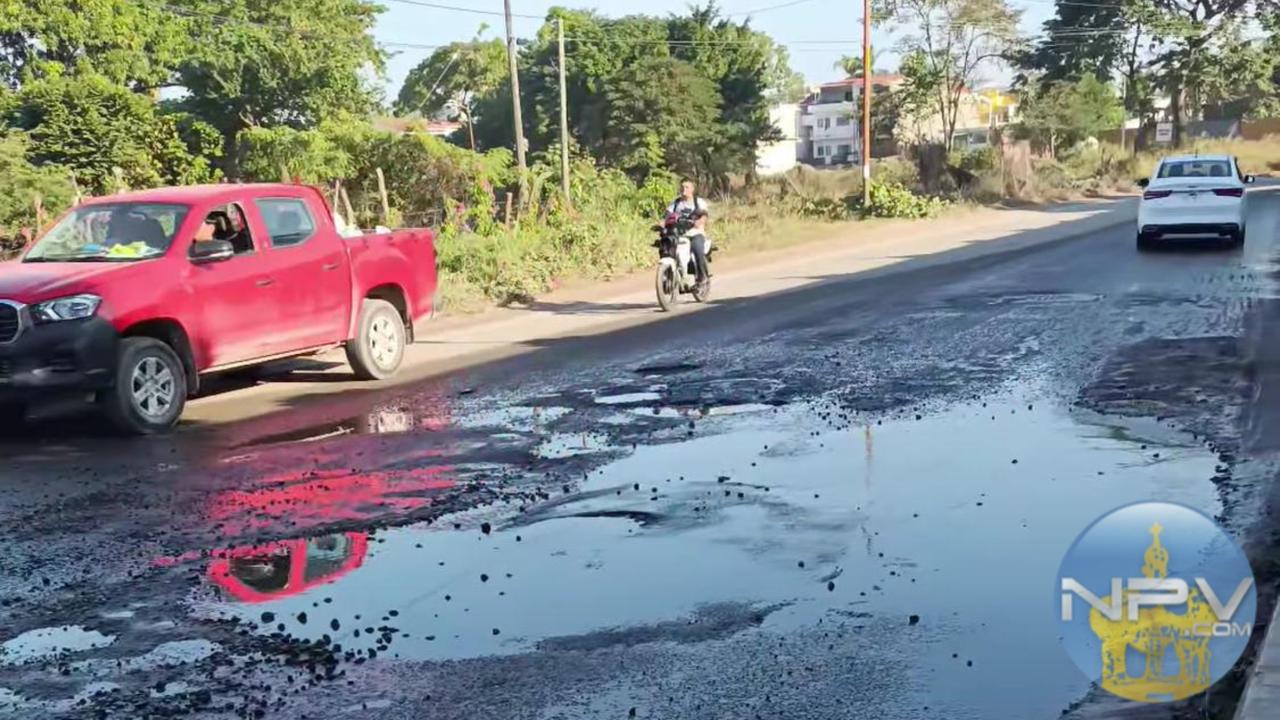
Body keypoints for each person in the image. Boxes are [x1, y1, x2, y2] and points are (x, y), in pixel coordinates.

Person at [666, 178, 711, 285]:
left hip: (695, 233)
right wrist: (662, 223)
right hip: (680, 234)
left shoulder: (698, 202)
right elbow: (666, 215)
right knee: (669, 249)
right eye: (682, 187)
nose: (684, 189)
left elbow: (704, 215)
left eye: (687, 187)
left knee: (697, 249)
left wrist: (699, 222)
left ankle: (702, 277)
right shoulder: (676, 203)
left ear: (692, 189)